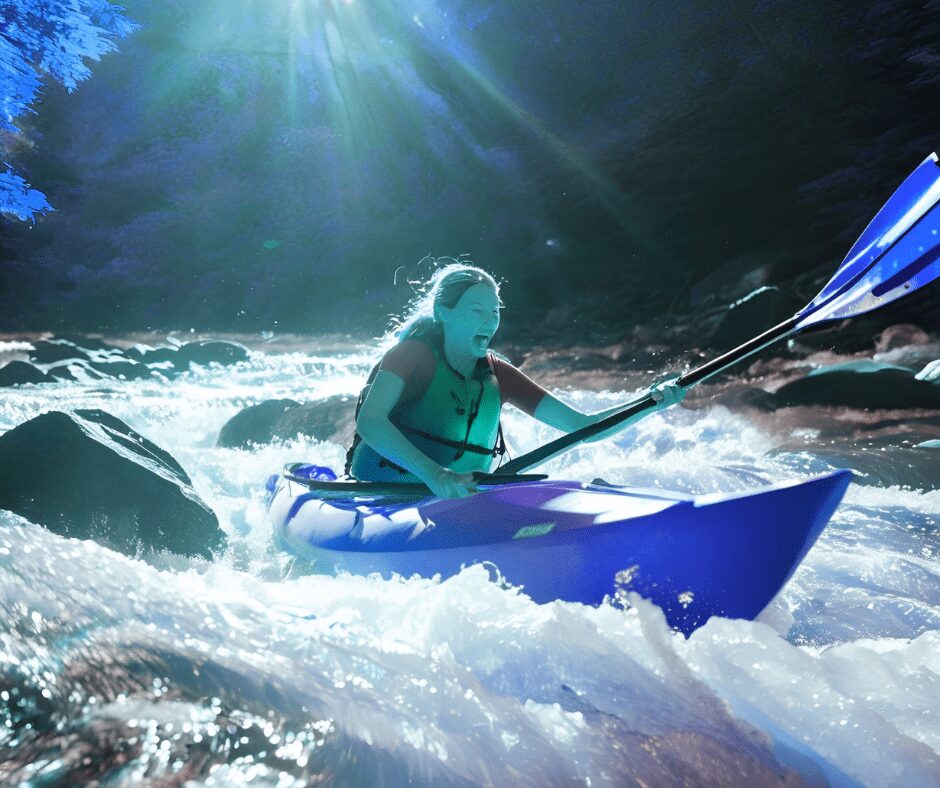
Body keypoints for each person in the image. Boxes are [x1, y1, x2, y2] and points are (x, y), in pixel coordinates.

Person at [344, 261, 684, 499]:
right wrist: (436, 476)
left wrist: (652, 401)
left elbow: (584, 427)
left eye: (494, 312)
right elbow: (370, 422)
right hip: (385, 492)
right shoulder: (411, 356)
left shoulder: (499, 375)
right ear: (443, 312)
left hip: (462, 498)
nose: (489, 322)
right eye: (477, 311)